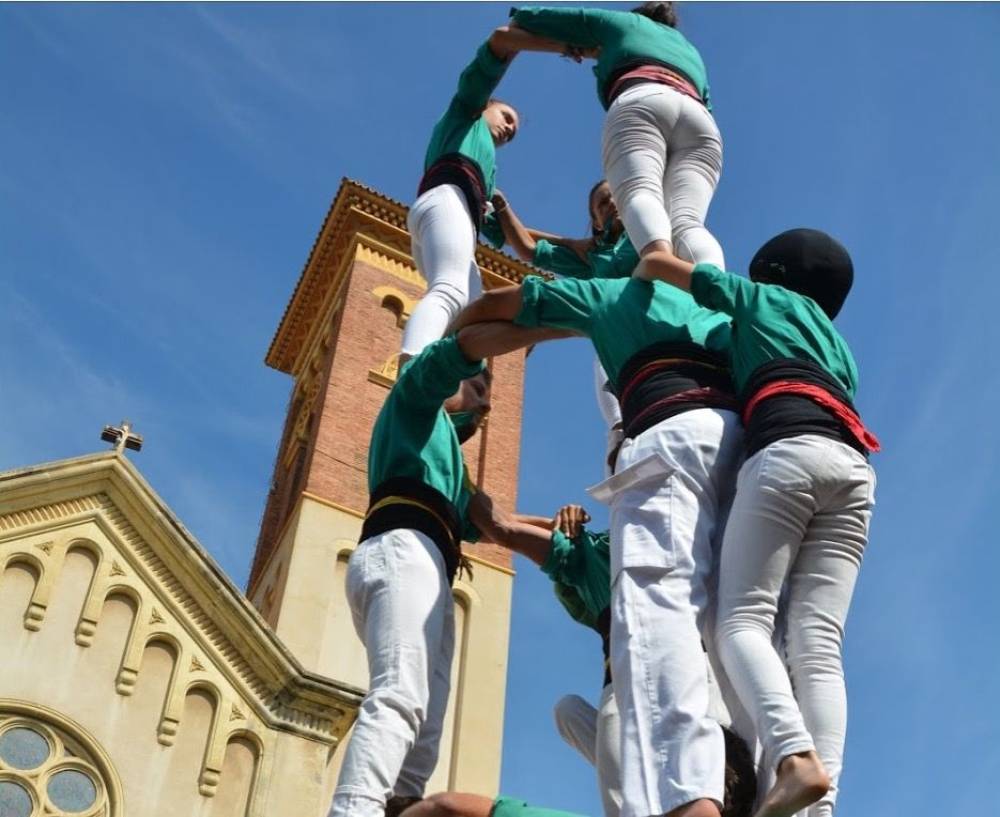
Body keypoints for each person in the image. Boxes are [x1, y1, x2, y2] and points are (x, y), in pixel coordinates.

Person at [451, 277, 743, 817]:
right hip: (668, 696)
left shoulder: (640, 544)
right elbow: (515, 533)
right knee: (580, 718)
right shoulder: (624, 549)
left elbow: (512, 533)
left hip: (664, 695)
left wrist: (445, 360)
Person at [632, 229, 879, 817]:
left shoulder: (759, 298)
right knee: (818, 647)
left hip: (786, 452)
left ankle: (793, 759)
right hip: (854, 467)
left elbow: (659, 265)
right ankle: (822, 808)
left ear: (771, 272)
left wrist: (635, 271)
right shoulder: (838, 346)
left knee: (740, 621)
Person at [329, 324, 566, 817]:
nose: (486, 404)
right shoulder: (415, 407)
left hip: (428, 564)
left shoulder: (450, 464)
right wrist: (529, 322)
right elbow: (440, 363)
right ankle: (355, 810)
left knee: (427, 719)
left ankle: (399, 804)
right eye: (480, 387)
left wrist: (563, 532)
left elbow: (498, 524)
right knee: (401, 692)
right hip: (403, 549)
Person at [400, 27, 582, 359]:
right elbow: (489, 62)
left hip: (454, 215)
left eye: (514, 129)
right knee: (451, 290)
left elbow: (515, 237)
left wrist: (572, 246)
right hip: (447, 199)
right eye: (506, 117)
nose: (511, 128)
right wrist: (529, 41)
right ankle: (410, 372)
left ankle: (447, 389)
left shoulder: (486, 177)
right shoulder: (465, 114)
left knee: (468, 310)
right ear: (486, 107)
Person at [504, 2, 726, 270]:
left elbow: (570, 18)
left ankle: (659, 260)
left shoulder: (625, 24)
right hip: (700, 120)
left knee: (640, 191)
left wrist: (521, 16)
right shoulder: (690, 51)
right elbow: (707, 101)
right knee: (687, 220)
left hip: (642, 97)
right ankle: (714, 284)